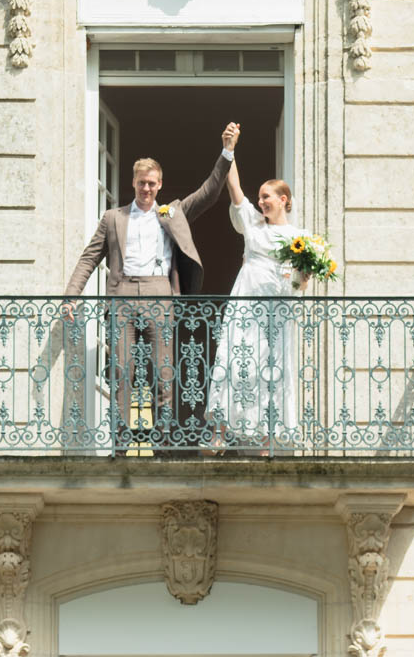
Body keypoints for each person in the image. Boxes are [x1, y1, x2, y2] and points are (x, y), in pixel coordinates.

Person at [64, 123, 240, 449]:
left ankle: (159, 443)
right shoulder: (112, 218)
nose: (147, 188)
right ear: (133, 182)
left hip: (161, 294)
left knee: (163, 373)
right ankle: (123, 443)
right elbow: (89, 258)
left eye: (152, 183)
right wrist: (70, 297)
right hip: (123, 295)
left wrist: (227, 151)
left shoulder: (172, 212)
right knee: (122, 371)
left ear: (160, 185)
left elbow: (210, 191)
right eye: (142, 183)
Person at [205, 151, 298, 448]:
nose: (261, 202)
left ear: (284, 199)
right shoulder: (253, 224)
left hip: (277, 306)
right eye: (260, 197)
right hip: (246, 300)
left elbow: (300, 281)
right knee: (232, 357)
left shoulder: (300, 237)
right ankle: (218, 434)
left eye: (267, 196)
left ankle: (265, 439)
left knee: (271, 367)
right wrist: (229, 150)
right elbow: (235, 190)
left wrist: (303, 277)